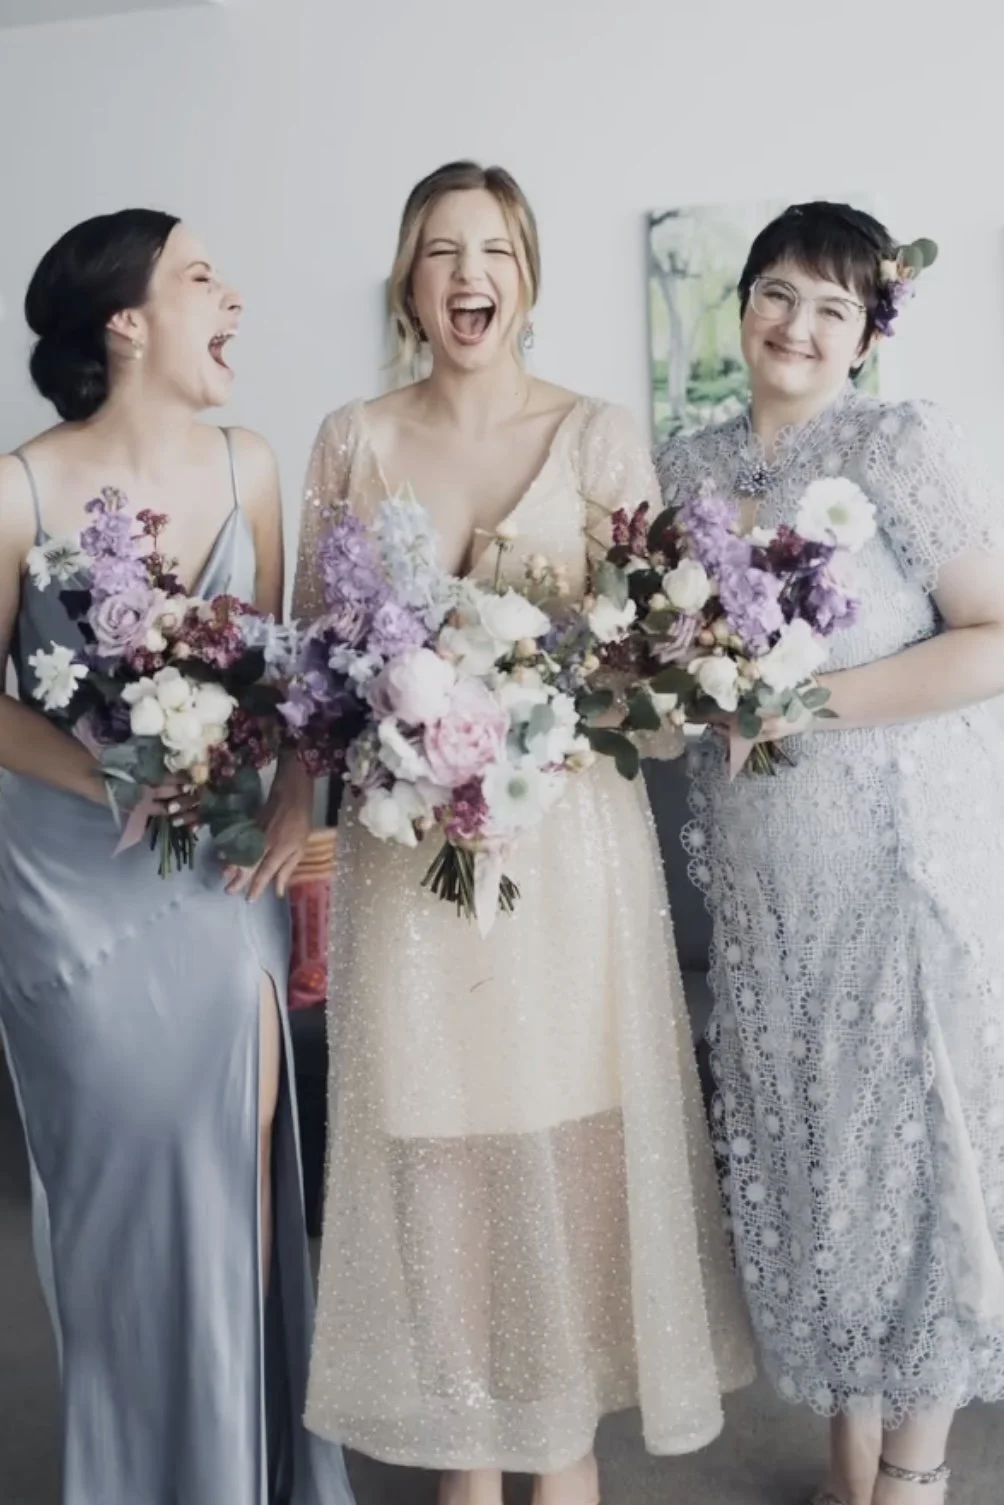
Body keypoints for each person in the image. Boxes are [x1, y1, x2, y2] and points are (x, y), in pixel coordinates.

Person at [293, 160, 755, 1505]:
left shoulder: (603, 435)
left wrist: (530, 696)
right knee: (429, 1142)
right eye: (439, 251)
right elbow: (317, 671)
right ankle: (462, 1458)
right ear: (407, 282)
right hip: (408, 852)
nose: (466, 275)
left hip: (562, 854)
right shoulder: (350, 435)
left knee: (564, 1142)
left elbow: (654, 668)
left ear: (528, 276)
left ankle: (558, 1453)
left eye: (491, 249)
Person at [0, 209, 353, 1505]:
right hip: (67, 901)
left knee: (236, 1188)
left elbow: (302, 667)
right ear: (127, 320)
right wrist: (112, 767)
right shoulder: (19, 488)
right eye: (204, 276)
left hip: (220, 888)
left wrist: (289, 803)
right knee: (112, 1223)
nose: (236, 299)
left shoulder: (250, 462)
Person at [657, 202, 1004, 1505]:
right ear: (740, 304)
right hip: (762, 872)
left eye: (832, 308)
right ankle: (850, 1459)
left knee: (913, 1160)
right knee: (812, 1150)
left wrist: (798, 706)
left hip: (898, 862)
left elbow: (994, 633)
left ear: (866, 335)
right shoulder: (686, 466)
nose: (796, 326)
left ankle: (915, 1475)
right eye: (777, 294)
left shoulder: (900, 444)